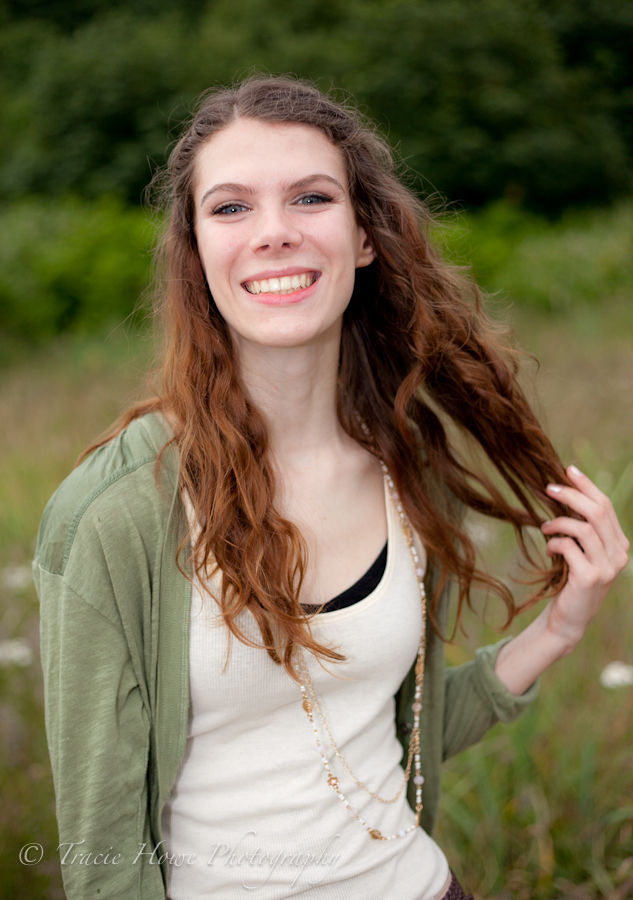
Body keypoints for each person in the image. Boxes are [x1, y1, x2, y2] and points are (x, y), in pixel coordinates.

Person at [33, 75, 629, 900]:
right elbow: (102, 854)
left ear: (363, 237)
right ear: (196, 251)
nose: (273, 233)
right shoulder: (114, 515)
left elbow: (386, 731)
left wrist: (560, 629)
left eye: (310, 197)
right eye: (231, 208)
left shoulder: (404, 465)